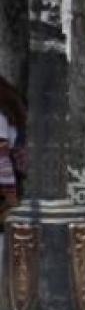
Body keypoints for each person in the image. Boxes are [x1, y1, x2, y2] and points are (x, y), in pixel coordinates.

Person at [0, 75, 26, 217]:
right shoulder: (9, 112)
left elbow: (2, 152)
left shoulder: (1, 115)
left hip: (6, 179)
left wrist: (9, 191)